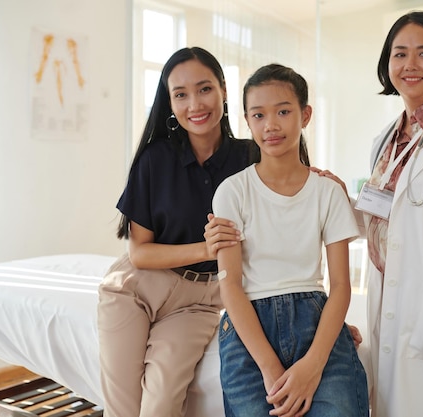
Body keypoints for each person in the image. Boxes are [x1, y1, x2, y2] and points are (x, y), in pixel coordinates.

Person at [206, 11, 423, 417]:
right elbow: (390, 222)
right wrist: (341, 203)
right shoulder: (387, 142)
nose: (410, 65)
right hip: (398, 313)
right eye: (400, 54)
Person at [97, 46, 259, 417]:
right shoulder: (155, 159)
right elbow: (140, 253)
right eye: (180, 95)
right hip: (136, 289)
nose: (195, 104)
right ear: (169, 103)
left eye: (204, 89)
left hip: (200, 302)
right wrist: (207, 248)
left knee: (161, 405)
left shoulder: (250, 157)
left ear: (223, 90)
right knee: (123, 409)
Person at [211, 63, 369, 417]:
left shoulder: (328, 192)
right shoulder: (231, 192)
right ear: (248, 122)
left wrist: (313, 365)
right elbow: (231, 287)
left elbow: (341, 285)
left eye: (283, 111)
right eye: (259, 115)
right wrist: (270, 368)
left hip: (314, 318)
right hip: (247, 328)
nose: (271, 125)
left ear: (305, 115)